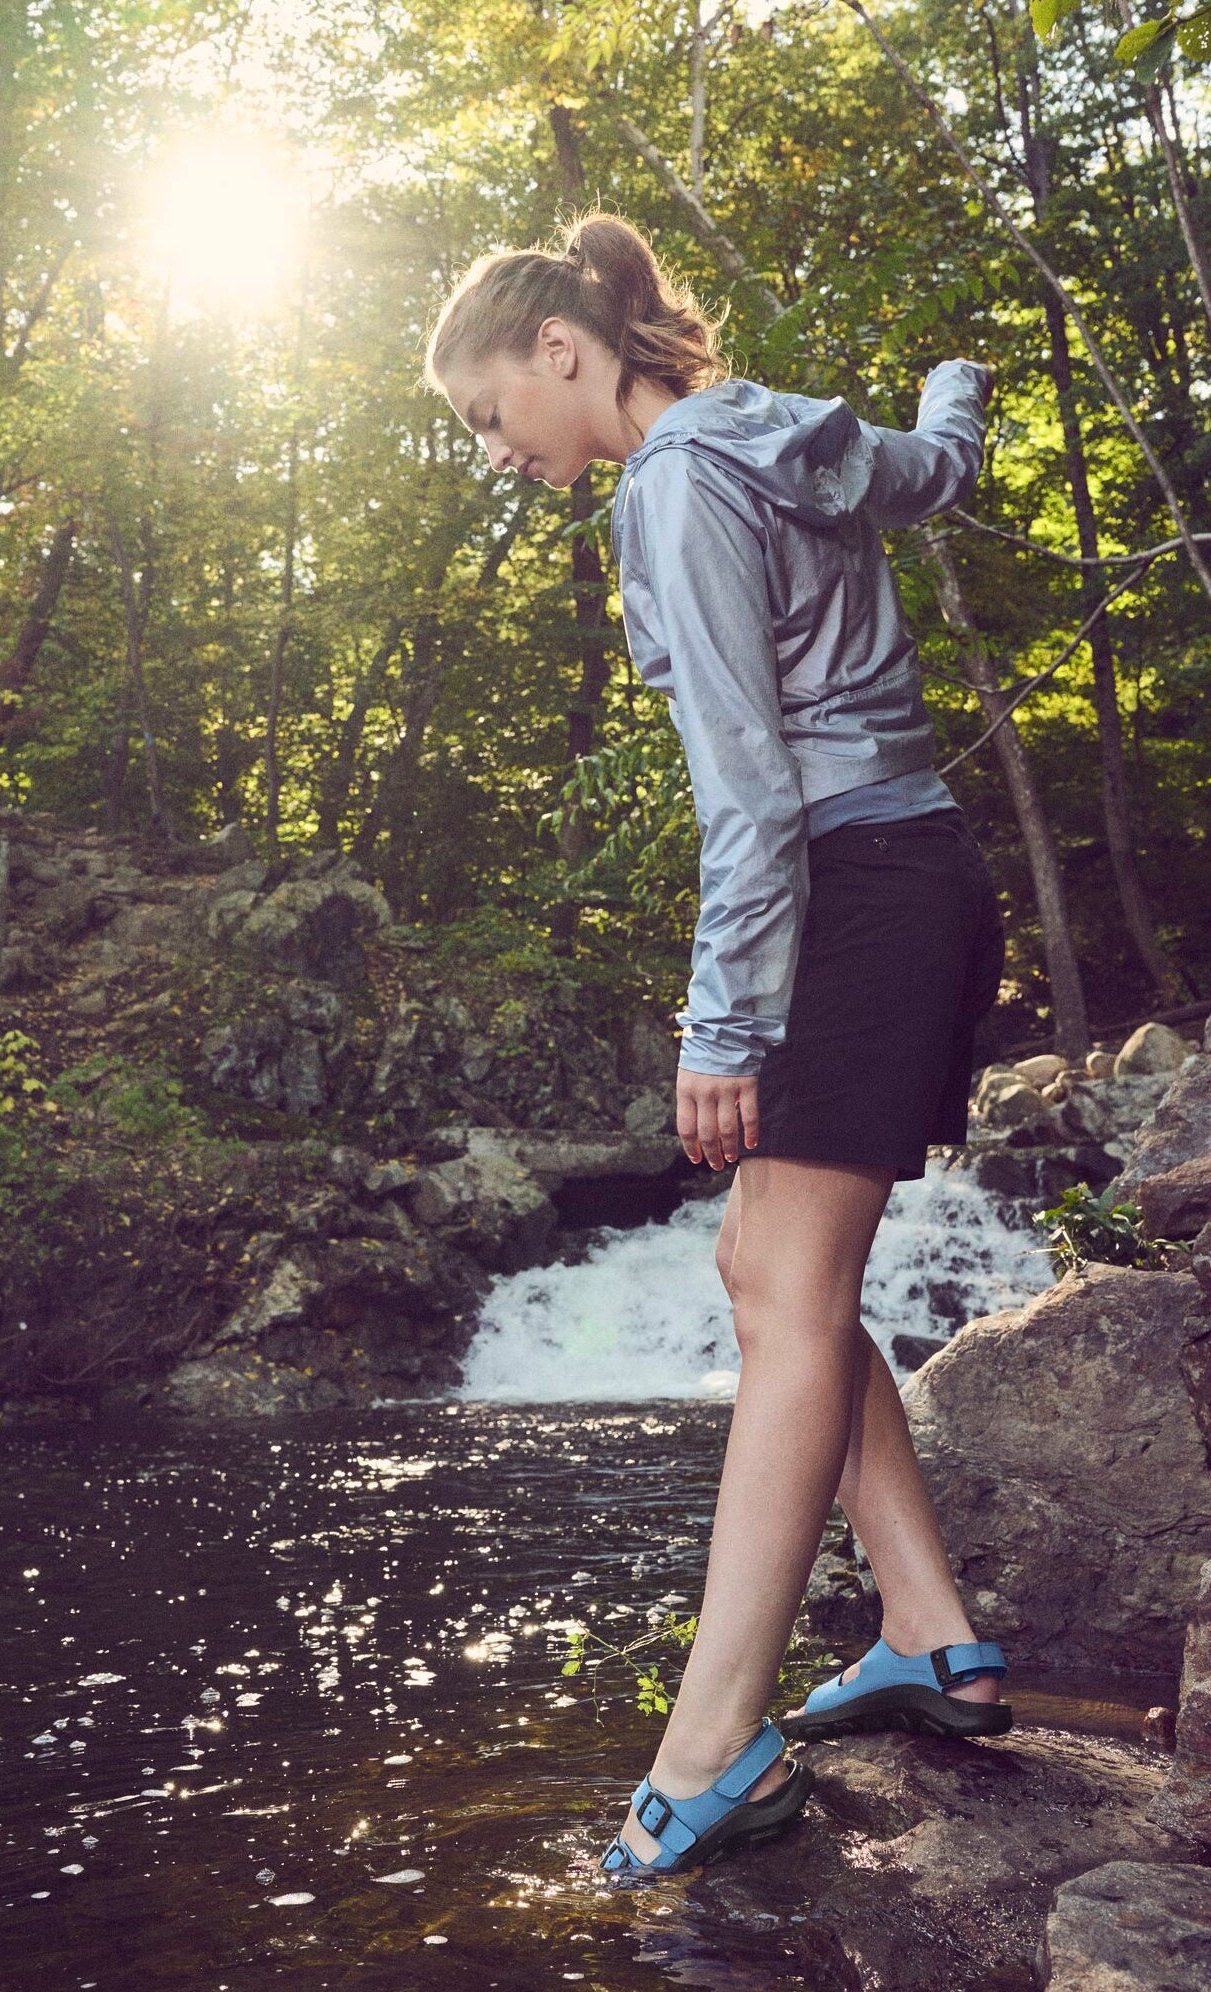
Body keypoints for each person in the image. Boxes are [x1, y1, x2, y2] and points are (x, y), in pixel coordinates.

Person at [424, 211, 1015, 1878]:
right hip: (906, 874)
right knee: (771, 1279)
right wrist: (956, 388)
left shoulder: (672, 483)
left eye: (487, 412)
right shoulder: (782, 435)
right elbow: (934, 470)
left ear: (560, 349)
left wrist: (720, 1024)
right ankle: (929, 1628)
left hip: (850, 889)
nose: (494, 452)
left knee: (786, 1298)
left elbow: (748, 787)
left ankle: (718, 1735)